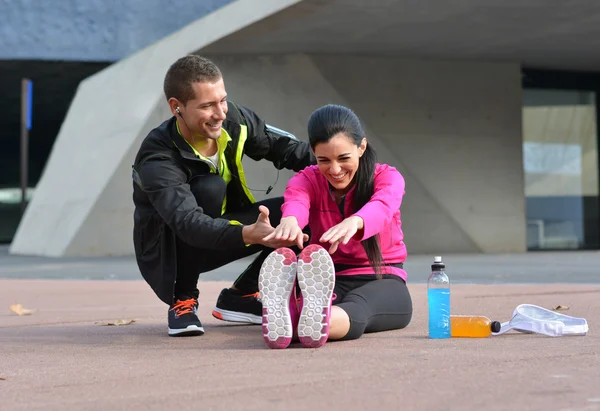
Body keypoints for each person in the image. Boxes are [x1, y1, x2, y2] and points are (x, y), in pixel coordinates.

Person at [132, 55, 313, 336]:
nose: (220, 113)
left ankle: (241, 295)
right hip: (170, 250)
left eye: (222, 100)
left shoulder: (234, 121)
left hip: (225, 229)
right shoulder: (157, 159)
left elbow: (289, 150)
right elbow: (188, 223)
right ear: (176, 107)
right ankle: (183, 300)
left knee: (299, 212)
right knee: (209, 187)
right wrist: (249, 234)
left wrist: (350, 168)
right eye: (207, 106)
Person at [257, 104, 413, 349]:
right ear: (312, 153)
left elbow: (383, 205)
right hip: (327, 278)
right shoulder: (307, 179)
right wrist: (290, 222)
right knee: (348, 309)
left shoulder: (387, 177)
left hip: (382, 277)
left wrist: (357, 220)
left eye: (343, 158)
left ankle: (293, 319)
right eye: (324, 160)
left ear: (361, 147)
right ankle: (298, 316)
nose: (335, 170)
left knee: (360, 306)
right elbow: (297, 199)